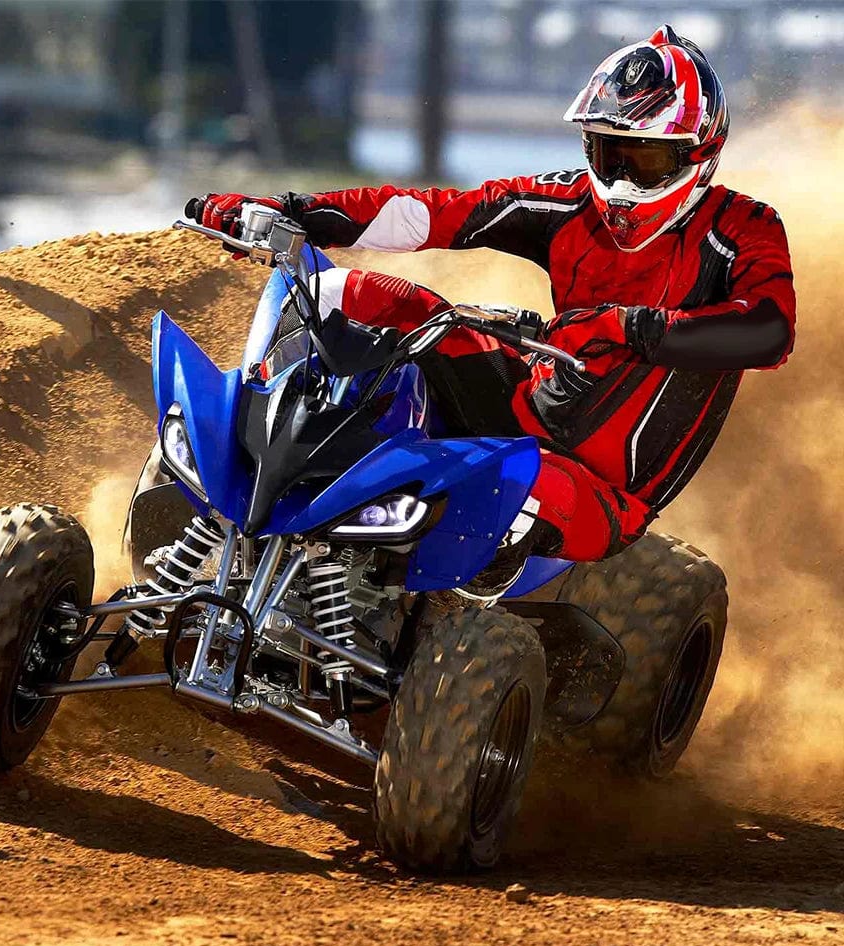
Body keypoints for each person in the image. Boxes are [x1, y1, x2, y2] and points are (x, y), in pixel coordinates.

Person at [188, 24, 796, 594]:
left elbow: (769, 331)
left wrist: (629, 326)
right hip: (525, 400)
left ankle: (435, 615)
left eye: (644, 159)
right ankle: (247, 465)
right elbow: (431, 213)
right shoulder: (568, 200)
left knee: (500, 493)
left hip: (598, 486)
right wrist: (289, 212)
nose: (619, 178)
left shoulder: (745, 227)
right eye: (607, 153)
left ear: (698, 153)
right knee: (345, 291)